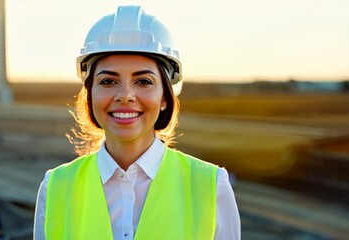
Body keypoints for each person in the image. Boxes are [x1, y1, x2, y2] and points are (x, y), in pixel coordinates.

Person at [34, 5, 240, 240]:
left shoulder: (211, 186)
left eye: (143, 81)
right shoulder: (55, 187)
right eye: (108, 81)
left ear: (165, 97)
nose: (125, 95)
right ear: (89, 94)